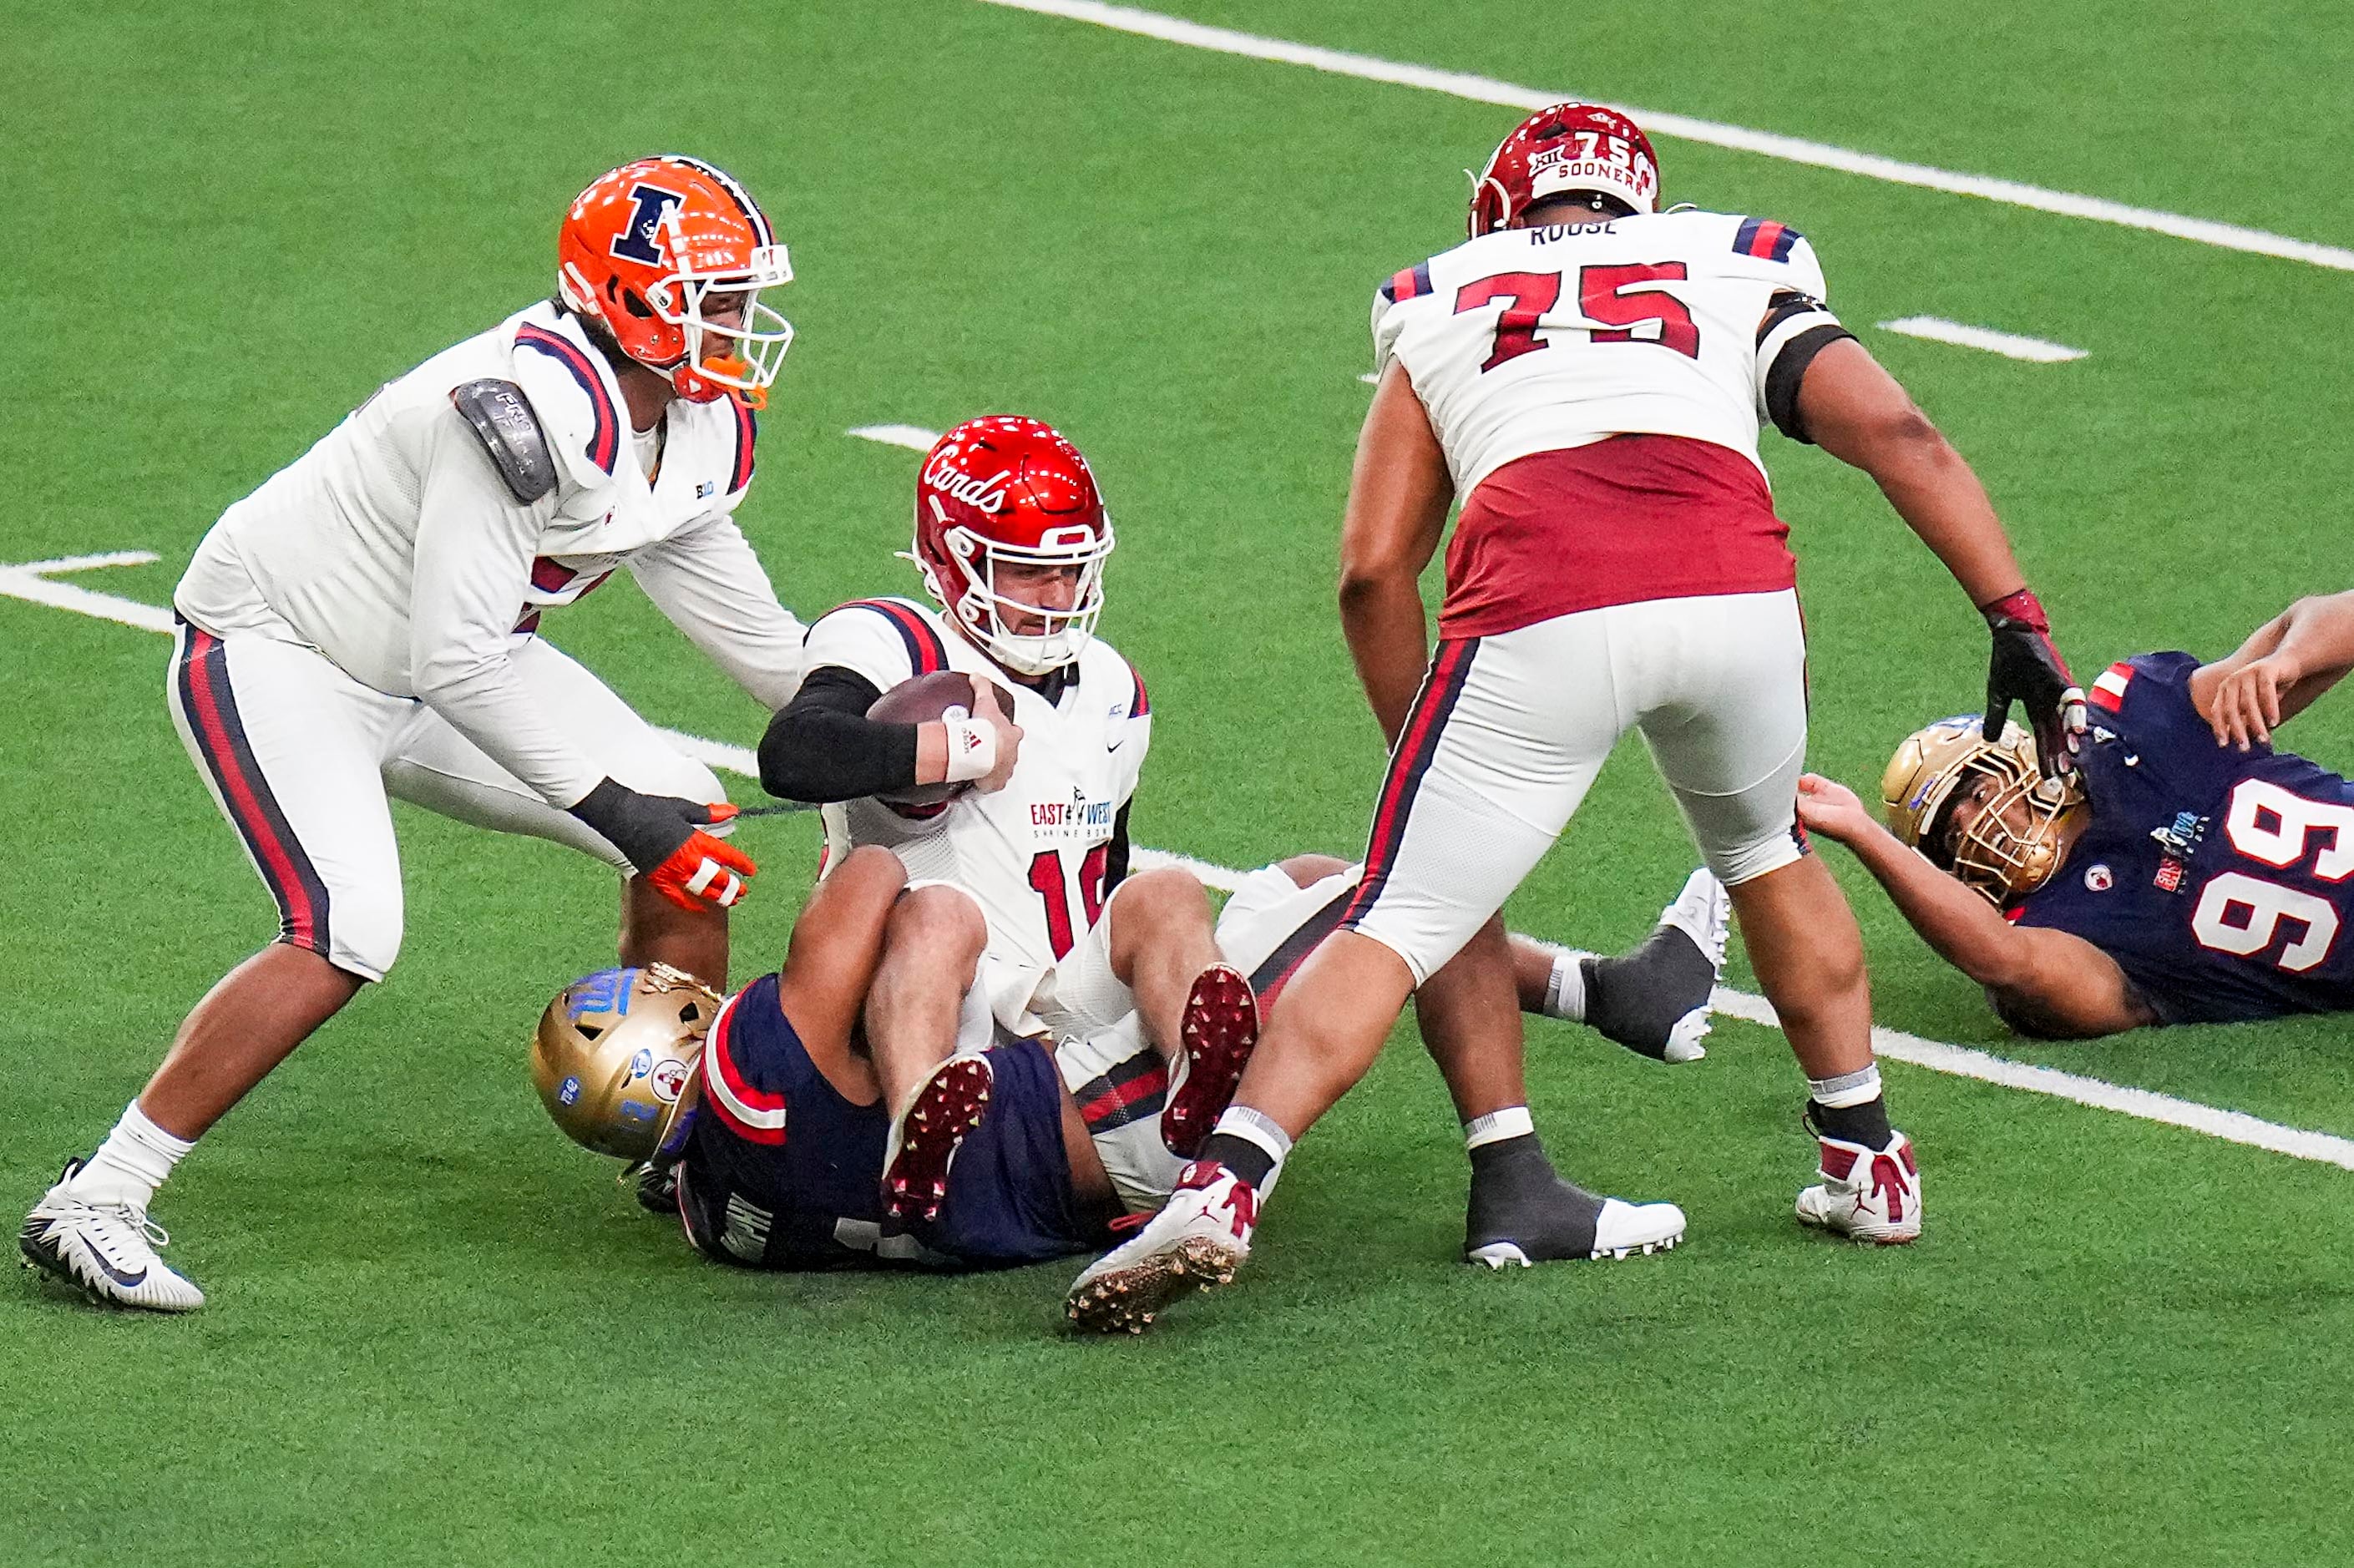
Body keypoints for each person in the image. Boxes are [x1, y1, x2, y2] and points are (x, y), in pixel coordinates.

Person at [1067, 102, 2087, 1331]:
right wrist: (2012, 612)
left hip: (1541, 605)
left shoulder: (1445, 294)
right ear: (1634, 207)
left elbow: (1370, 567)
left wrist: (1424, 749)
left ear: (1502, 207)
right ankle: (1864, 1160)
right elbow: (1897, 432)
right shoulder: (1727, 263)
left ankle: (1223, 1190)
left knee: (1396, 913)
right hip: (1734, 594)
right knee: (1766, 852)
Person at [20, 157, 807, 1313]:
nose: (738, 325)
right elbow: (462, 660)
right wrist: (623, 816)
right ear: (630, 294)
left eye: (743, 296)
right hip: (280, 649)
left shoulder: (691, 423)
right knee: (346, 929)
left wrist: (883, 712)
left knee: (685, 818)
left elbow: (757, 639)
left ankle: (689, 1143)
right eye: (715, 296)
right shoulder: (521, 407)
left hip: (434, 660)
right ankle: (98, 1197)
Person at [530, 846, 1724, 1279]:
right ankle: (1523, 1153)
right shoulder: (752, 1062)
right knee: (1415, 877)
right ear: (680, 1021)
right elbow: (860, 898)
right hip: (1118, 1124)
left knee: (1260, 887)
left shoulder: (711, 1210)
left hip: (1075, 1155)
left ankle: (1602, 991)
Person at [755, 417, 1258, 1225]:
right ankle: (916, 1138)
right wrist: (955, 747)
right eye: (1027, 572)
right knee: (940, 912)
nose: (1057, 597)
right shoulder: (895, 638)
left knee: (1166, 892)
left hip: (1066, 991)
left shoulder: (1113, 687)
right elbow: (795, 751)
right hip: (934, 993)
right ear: (953, 558)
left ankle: (1198, 1094)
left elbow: (1107, 867)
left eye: (1069, 570)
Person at [1797, 590, 2354, 1037]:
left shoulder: (2137, 724)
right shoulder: (2055, 932)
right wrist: (1864, 836)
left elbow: (2315, 616)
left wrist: (2288, 661)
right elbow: (2002, 962)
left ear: (2021, 755)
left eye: (1972, 790)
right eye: (1946, 833)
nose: (1970, 823)